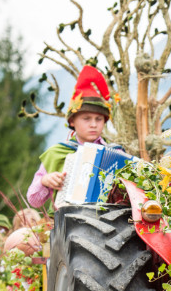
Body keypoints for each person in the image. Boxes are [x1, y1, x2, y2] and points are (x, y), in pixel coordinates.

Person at [26, 65, 113, 211]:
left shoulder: (114, 152)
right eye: (86, 119)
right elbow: (33, 201)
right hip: (67, 224)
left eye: (99, 119)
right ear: (72, 121)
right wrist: (45, 181)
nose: (93, 124)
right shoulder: (57, 153)